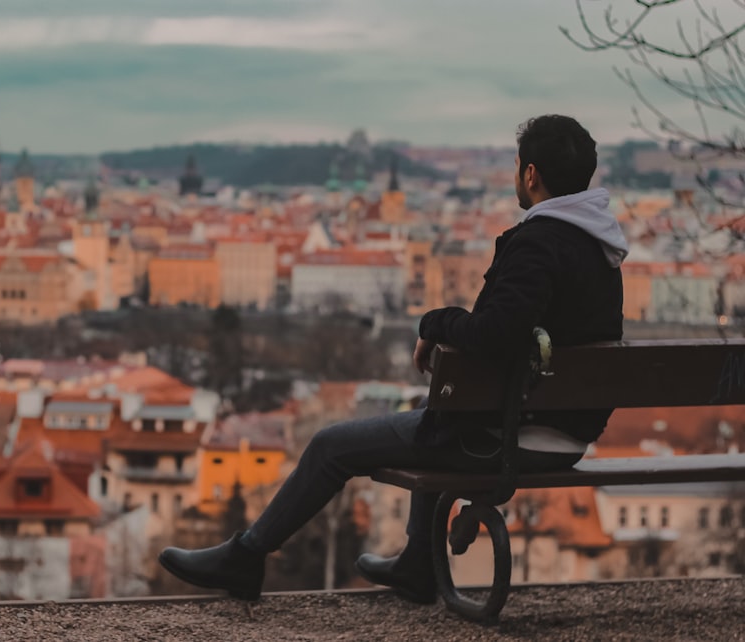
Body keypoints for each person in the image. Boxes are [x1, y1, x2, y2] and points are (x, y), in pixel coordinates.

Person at [158, 114, 628, 603]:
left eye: (516, 166)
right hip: (565, 435)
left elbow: (494, 334)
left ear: (530, 175)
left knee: (329, 446)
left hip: (510, 439)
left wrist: (434, 322)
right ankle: (418, 562)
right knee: (438, 413)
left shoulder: (539, 243)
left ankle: (245, 557)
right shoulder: (600, 246)